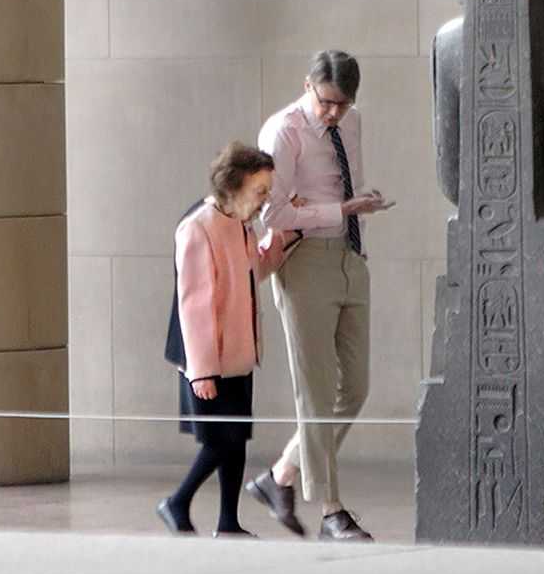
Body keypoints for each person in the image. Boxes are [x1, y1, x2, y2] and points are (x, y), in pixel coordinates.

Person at [247, 51, 391, 542]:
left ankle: (279, 476)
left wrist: (354, 209)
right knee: (314, 390)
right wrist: (340, 208)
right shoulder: (282, 131)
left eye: (343, 105)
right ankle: (331, 511)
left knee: (355, 387)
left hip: (350, 255)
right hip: (304, 261)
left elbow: (327, 194)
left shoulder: (353, 125)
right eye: (327, 101)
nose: (334, 113)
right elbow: (273, 215)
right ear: (307, 84)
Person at [159, 143, 299, 537]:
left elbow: (254, 271)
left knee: (236, 441)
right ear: (234, 187)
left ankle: (227, 522)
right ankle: (176, 502)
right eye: (260, 191)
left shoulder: (240, 223)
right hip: (208, 361)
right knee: (222, 440)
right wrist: (202, 372)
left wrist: (282, 238)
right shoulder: (198, 227)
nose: (264, 200)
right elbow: (194, 305)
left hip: (237, 354)